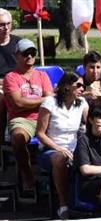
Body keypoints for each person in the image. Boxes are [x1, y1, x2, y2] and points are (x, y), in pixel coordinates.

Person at [4, 40, 53, 201]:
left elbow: (50, 101)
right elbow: (18, 104)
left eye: (32, 53)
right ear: (17, 56)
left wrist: (31, 102)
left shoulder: (42, 75)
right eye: (25, 53)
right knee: (18, 137)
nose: (30, 56)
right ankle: (27, 174)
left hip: (44, 116)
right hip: (22, 120)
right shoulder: (11, 77)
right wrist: (43, 100)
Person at [36, 72, 89, 218]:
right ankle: (63, 205)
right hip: (50, 149)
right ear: (66, 86)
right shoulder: (50, 103)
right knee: (60, 158)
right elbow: (40, 133)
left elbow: (90, 123)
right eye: (78, 85)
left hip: (74, 149)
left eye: (83, 86)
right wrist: (59, 149)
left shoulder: (82, 103)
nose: (82, 88)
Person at [0, 10, 15, 79]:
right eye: (2, 24)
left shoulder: (19, 44)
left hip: (16, 82)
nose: (6, 28)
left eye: (8, 23)